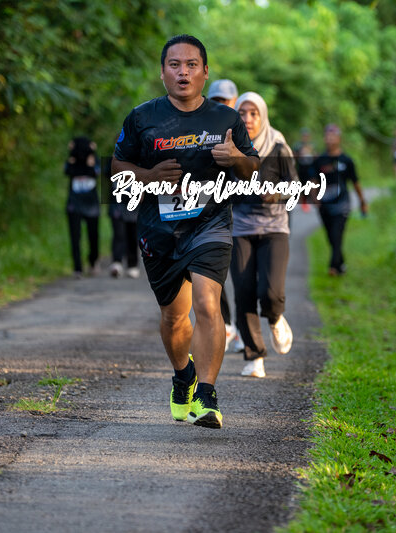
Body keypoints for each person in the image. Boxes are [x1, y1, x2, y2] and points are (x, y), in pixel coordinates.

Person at [112, 34, 259, 429]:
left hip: (211, 223)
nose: (183, 72)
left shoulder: (226, 119)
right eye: (174, 65)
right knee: (174, 319)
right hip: (159, 229)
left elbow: (252, 167)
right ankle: (184, 376)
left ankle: (206, 397)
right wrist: (148, 176)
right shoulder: (142, 118)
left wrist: (236, 158)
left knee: (208, 304)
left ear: (205, 72)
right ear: (162, 73)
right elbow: (117, 168)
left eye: (192, 64)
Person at [231, 92, 297, 378]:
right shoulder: (229, 146)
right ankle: (254, 355)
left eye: (253, 113)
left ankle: (275, 317)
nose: (247, 119)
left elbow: (294, 187)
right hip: (240, 229)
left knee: (270, 292)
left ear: (263, 116)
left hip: (274, 229)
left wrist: (276, 194)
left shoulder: (278, 147)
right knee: (244, 291)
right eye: (242, 113)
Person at [206, 78, 243, 353]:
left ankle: (243, 329)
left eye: (226, 101)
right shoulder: (202, 129)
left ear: (235, 102)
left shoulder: (246, 128)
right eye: (216, 100)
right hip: (213, 215)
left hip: (243, 216)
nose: (221, 105)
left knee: (243, 277)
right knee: (211, 275)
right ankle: (228, 324)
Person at [311, 124, 367, 276]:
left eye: (333, 136)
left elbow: (355, 182)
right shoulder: (320, 160)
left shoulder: (346, 160)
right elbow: (314, 180)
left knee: (337, 235)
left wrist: (362, 201)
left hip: (342, 205)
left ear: (339, 139)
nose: (330, 139)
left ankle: (333, 267)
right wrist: (314, 198)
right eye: (327, 136)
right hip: (324, 205)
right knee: (331, 237)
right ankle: (341, 264)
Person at [65, 136, 100, 277]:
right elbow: (67, 171)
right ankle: (77, 267)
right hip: (74, 203)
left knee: (93, 235)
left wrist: (91, 164)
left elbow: (98, 172)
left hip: (91, 204)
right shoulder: (71, 160)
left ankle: (93, 261)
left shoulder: (93, 160)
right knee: (75, 236)